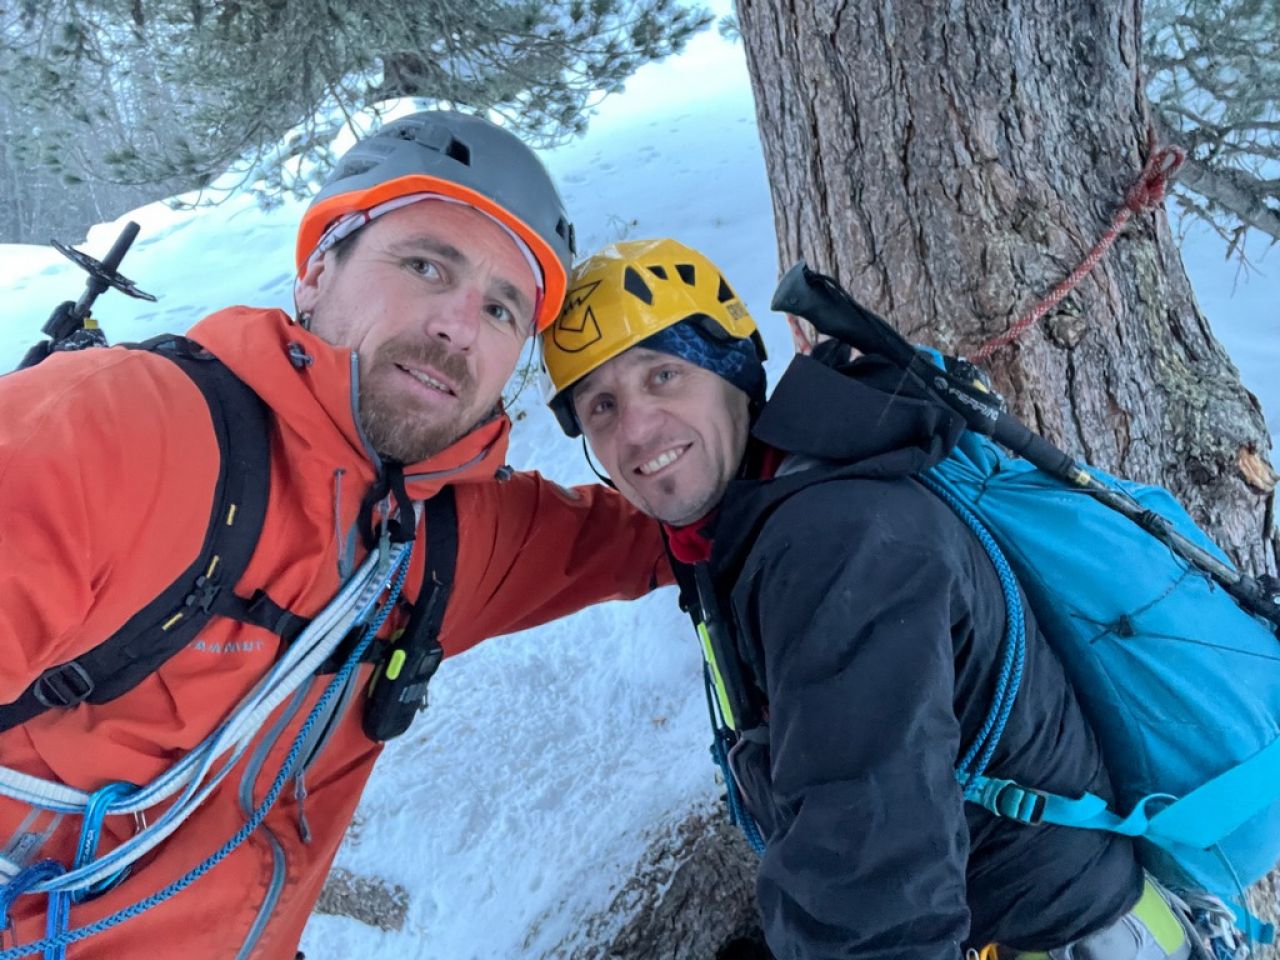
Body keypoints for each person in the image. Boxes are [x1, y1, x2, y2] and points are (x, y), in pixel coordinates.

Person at [0, 112, 668, 957]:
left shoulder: (446, 538)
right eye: (426, 266)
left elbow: (675, 528)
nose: (459, 327)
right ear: (318, 269)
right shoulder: (113, 432)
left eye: (502, 310)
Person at [539, 237, 1204, 960]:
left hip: (1055, 935)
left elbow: (876, 902)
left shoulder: (833, 542)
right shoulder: (761, 516)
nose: (635, 429)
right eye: (601, 406)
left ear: (735, 368)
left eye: (663, 374)